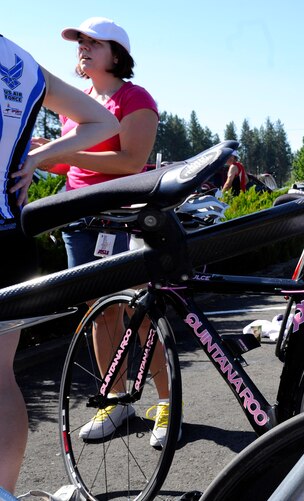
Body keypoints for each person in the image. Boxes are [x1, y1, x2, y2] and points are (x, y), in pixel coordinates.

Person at [37, 17, 172, 449]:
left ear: (118, 55)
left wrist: (66, 152)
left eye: (95, 42)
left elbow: (132, 163)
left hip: (123, 217)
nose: (83, 48)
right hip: (80, 217)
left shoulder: (136, 98)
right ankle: (116, 400)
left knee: (140, 310)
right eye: (80, 42)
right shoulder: (78, 101)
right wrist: (40, 156)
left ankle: (168, 405)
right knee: (99, 309)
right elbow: (71, 163)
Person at [0, 34, 119, 494]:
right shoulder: (21, 61)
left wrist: (39, 156)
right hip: (10, 237)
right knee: (1, 379)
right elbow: (101, 120)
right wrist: (35, 158)